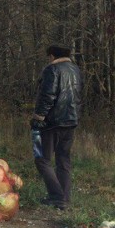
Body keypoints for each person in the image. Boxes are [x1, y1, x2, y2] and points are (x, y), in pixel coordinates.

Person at [31, 45, 82, 210]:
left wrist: (38, 116)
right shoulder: (75, 70)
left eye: (49, 57)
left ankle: (56, 196)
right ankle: (65, 199)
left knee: (42, 159)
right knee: (63, 160)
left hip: (52, 122)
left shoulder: (52, 70)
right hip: (71, 121)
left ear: (52, 56)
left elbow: (48, 95)